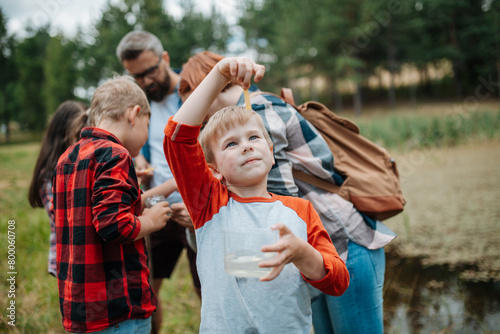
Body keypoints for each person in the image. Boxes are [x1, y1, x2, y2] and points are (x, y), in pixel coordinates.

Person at [179, 51, 397, 334]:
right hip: (297, 254)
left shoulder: (258, 111)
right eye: (231, 144)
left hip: (343, 239)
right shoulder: (219, 190)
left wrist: (302, 252)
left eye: (253, 139)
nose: (201, 113)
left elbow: (267, 201)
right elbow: (182, 142)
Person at [52, 76, 170, 333]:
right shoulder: (117, 155)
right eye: (147, 124)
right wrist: (149, 221)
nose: (147, 134)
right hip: (118, 310)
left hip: (80, 307)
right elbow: (113, 226)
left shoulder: (66, 159)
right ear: (134, 115)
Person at [116, 31, 201, 332]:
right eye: (136, 76)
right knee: (144, 289)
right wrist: (139, 160)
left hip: (199, 210)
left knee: (208, 288)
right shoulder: (139, 102)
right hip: (157, 209)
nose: (145, 82)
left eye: (150, 71)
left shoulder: (195, 93)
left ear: (165, 58)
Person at [28, 100, 88, 277]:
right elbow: (67, 219)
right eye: (78, 134)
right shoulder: (49, 175)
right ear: (62, 135)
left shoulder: (85, 164)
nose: (84, 141)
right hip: (68, 260)